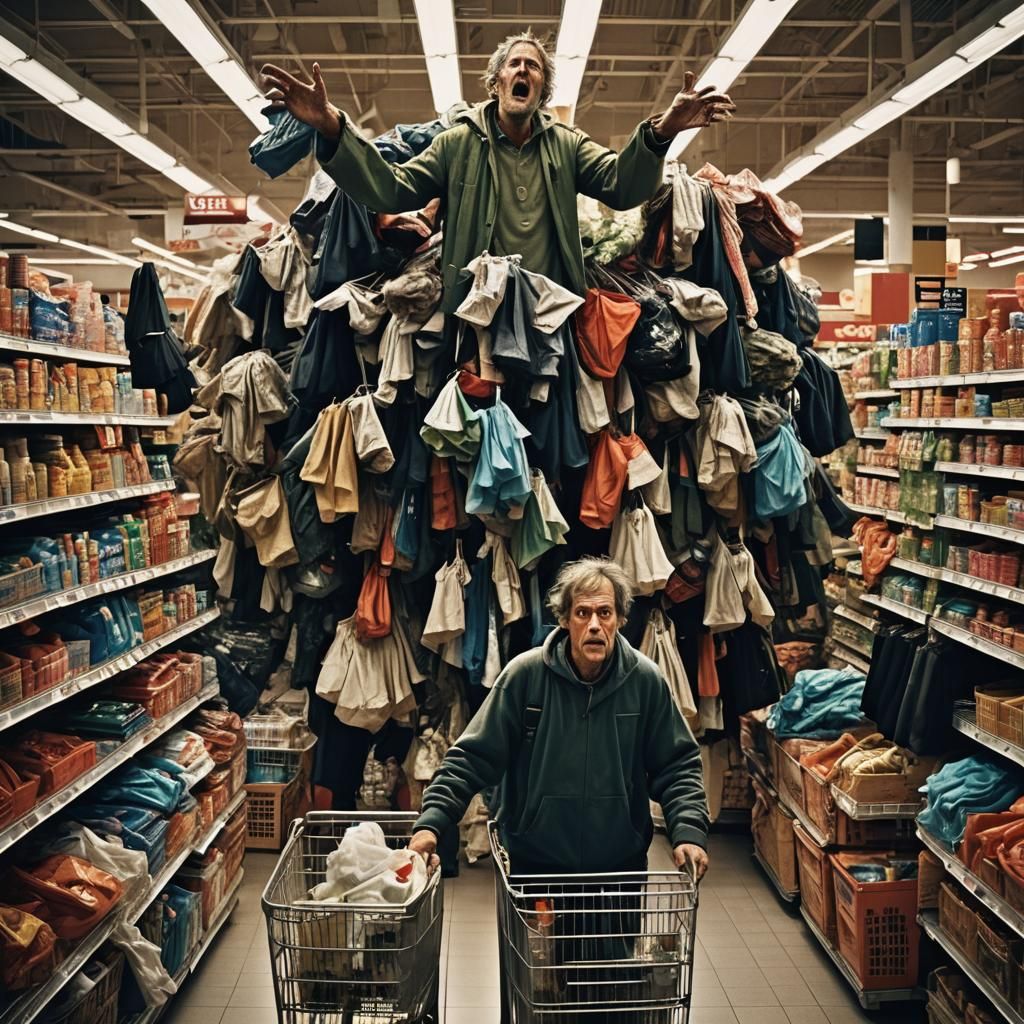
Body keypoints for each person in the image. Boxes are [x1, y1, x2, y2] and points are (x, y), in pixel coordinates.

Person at [260, 31, 734, 311]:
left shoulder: (566, 146)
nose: (523, 70)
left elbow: (621, 185)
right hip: (473, 315)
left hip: (550, 315)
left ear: (542, 89)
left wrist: (663, 130)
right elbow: (392, 188)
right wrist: (332, 126)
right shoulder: (457, 143)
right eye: (513, 64)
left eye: (533, 66)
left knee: (544, 456)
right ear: (496, 81)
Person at [408, 556, 710, 880]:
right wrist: (431, 823)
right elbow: (471, 758)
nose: (594, 625)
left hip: (619, 870)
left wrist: (689, 833)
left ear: (620, 619)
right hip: (535, 868)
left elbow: (678, 765)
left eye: (604, 613)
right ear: (565, 619)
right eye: (583, 613)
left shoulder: (645, 681)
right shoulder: (524, 677)